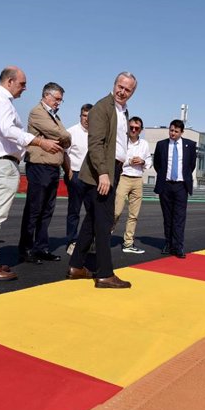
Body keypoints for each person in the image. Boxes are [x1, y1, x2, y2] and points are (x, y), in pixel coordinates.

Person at [0, 66, 63, 281]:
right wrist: (40, 141)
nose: (25, 89)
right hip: (1, 165)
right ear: (10, 81)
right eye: (22, 84)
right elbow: (8, 129)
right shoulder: (0, 100)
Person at [66, 72, 137, 288]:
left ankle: (76, 266)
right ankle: (105, 273)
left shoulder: (122, 111)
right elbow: (95, 143)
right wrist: (104, 174)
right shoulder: (101, 108)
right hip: (101, 173)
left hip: (112, 170)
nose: (122, 91)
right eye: (120, 86)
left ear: (132, 92)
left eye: (127, 89)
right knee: (104, 223)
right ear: (114, 84)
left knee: (92, 221)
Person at [18, 82, 72, 264]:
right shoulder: (37, 113)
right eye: (57, 99)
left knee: (47, 211)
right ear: (46, 96)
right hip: (39, 166)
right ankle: (25, 249)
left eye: (60, 100)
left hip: (52, 168)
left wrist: (63, 137)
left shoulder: (54, 116)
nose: (59, 102)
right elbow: (63, 135)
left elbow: (63, 137)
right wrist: (63, 136)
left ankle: (41, 247)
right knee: (34, 209)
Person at [153, 119, 197, 259]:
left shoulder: (190, 145)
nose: (173, 133)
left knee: (179, 217)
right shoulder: (161, 145)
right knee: (167, 216)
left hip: (181, 186)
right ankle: (168, 243)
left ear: (182, 132)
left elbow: (191, 165)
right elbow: (157, 164)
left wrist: (182, 178)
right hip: (165, 185)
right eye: (171, 130)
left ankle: (178, 246)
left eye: (176, 131)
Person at [113, 116, 151, 254]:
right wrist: (129, 161)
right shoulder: (122, 142)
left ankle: (128, 243)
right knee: (116, 212)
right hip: (123, 177)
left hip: (137, 179)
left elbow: (149, 161)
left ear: (141, 130)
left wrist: (142, 161)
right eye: (132, 127)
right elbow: (115, 160)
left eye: (137, 128)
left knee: (134, 215)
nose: (134, 130)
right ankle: (102, 239)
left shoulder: (145, 144)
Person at [64, 103, 92, 256]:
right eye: (84, 115)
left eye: (90, 116)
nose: (87, 119)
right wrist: (68, 172)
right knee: (74, 211)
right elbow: (64, 154)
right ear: (80, 116)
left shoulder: (97, 133)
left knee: (92, 211)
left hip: (92, 178)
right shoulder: (71, 132)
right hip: (75, 175)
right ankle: (72, 241)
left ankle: (88, 241)